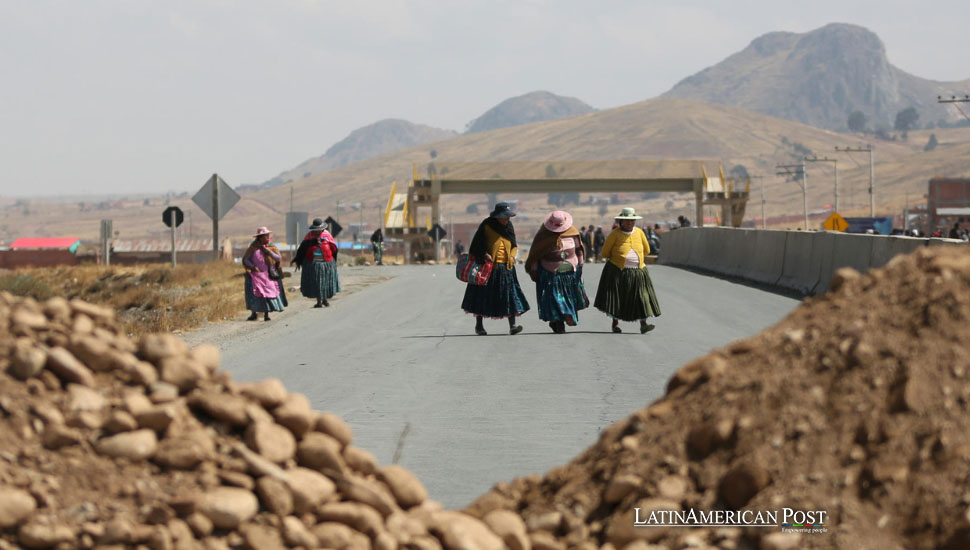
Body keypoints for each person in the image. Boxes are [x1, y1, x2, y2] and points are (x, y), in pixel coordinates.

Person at [461, 202, 529, 335]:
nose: (507, 219)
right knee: (482, 296)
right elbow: (476, 246)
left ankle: (513, 325)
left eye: (508, 217)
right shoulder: (487, 225)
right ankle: (479, 326)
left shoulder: (509, 226)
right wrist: (485, 254)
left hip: (506, 268)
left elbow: (514, 245)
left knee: (509, 296)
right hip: (488, 268)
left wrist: (512, 256)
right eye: (504, 217)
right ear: (497, 216)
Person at [593, 208, 661, 334]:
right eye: (627, 220)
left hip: (638, 271)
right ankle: (615, 324)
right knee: (617, 297)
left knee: (641, 297)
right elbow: (605, 252)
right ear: (621, 221)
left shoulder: (640, 233)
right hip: (617, 271)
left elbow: (646, 250)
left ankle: (643, 324)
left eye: (632, 220)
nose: (630, 222)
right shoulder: (614, 234)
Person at [525, 210, 588, 334]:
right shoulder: (543, 235)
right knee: (555, 298)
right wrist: (533, 270)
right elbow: (535, 255)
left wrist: (580, 264)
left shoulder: (573, 233)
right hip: (550, 273)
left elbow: (579, 250)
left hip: (569, 273)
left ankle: (564, 318)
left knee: (568, 297)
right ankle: (559, 321)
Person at [293, 218, 341, 307]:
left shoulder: (327, 235)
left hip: (327, 263)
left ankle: (325, 300)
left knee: (325, 282)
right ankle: (319, 301)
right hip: (313, 264)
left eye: (319, 230)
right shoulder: (309, 236)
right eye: (316, 230)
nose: (318, 232)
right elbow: (302, 249)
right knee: (317, 283)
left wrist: (332, 261)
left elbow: (334, 249)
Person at [242, 227, 286, 321]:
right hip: (256, 275)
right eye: (266, 236)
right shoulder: (253, 248)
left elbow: (278, 258)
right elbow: (246, 259)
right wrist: (253, 267)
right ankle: (254, 313)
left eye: (268, 236)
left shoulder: (271, 246)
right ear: (260, 237)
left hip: (268, 275)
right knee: (255, 294)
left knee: (267, 294)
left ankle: (266, 314)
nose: (268, 238)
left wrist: (268, 251)